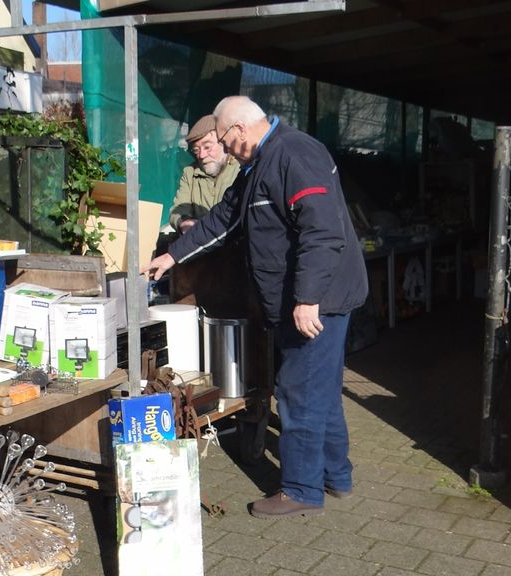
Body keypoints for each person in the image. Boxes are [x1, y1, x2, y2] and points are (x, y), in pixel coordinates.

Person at [145, 96, 368, 519]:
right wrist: (172, 256)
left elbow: (322, 231)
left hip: (317, 301)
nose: (225, 150)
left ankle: (301, 489)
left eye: (226, 141)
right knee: (320, 391)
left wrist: (307, 299)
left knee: (298, 392)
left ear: (240, 129)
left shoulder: (294, 153)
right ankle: (336, 476)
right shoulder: (258, 166)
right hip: (298, 300)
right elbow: (222, 219)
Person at [168, 114, 240, 234]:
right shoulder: (190, 172)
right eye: (196, 150)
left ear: (224, 143)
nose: (201, 155)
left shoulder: (240, 170)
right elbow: (178, 209)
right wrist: (184, 222)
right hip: (198, 243)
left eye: (207, 147)